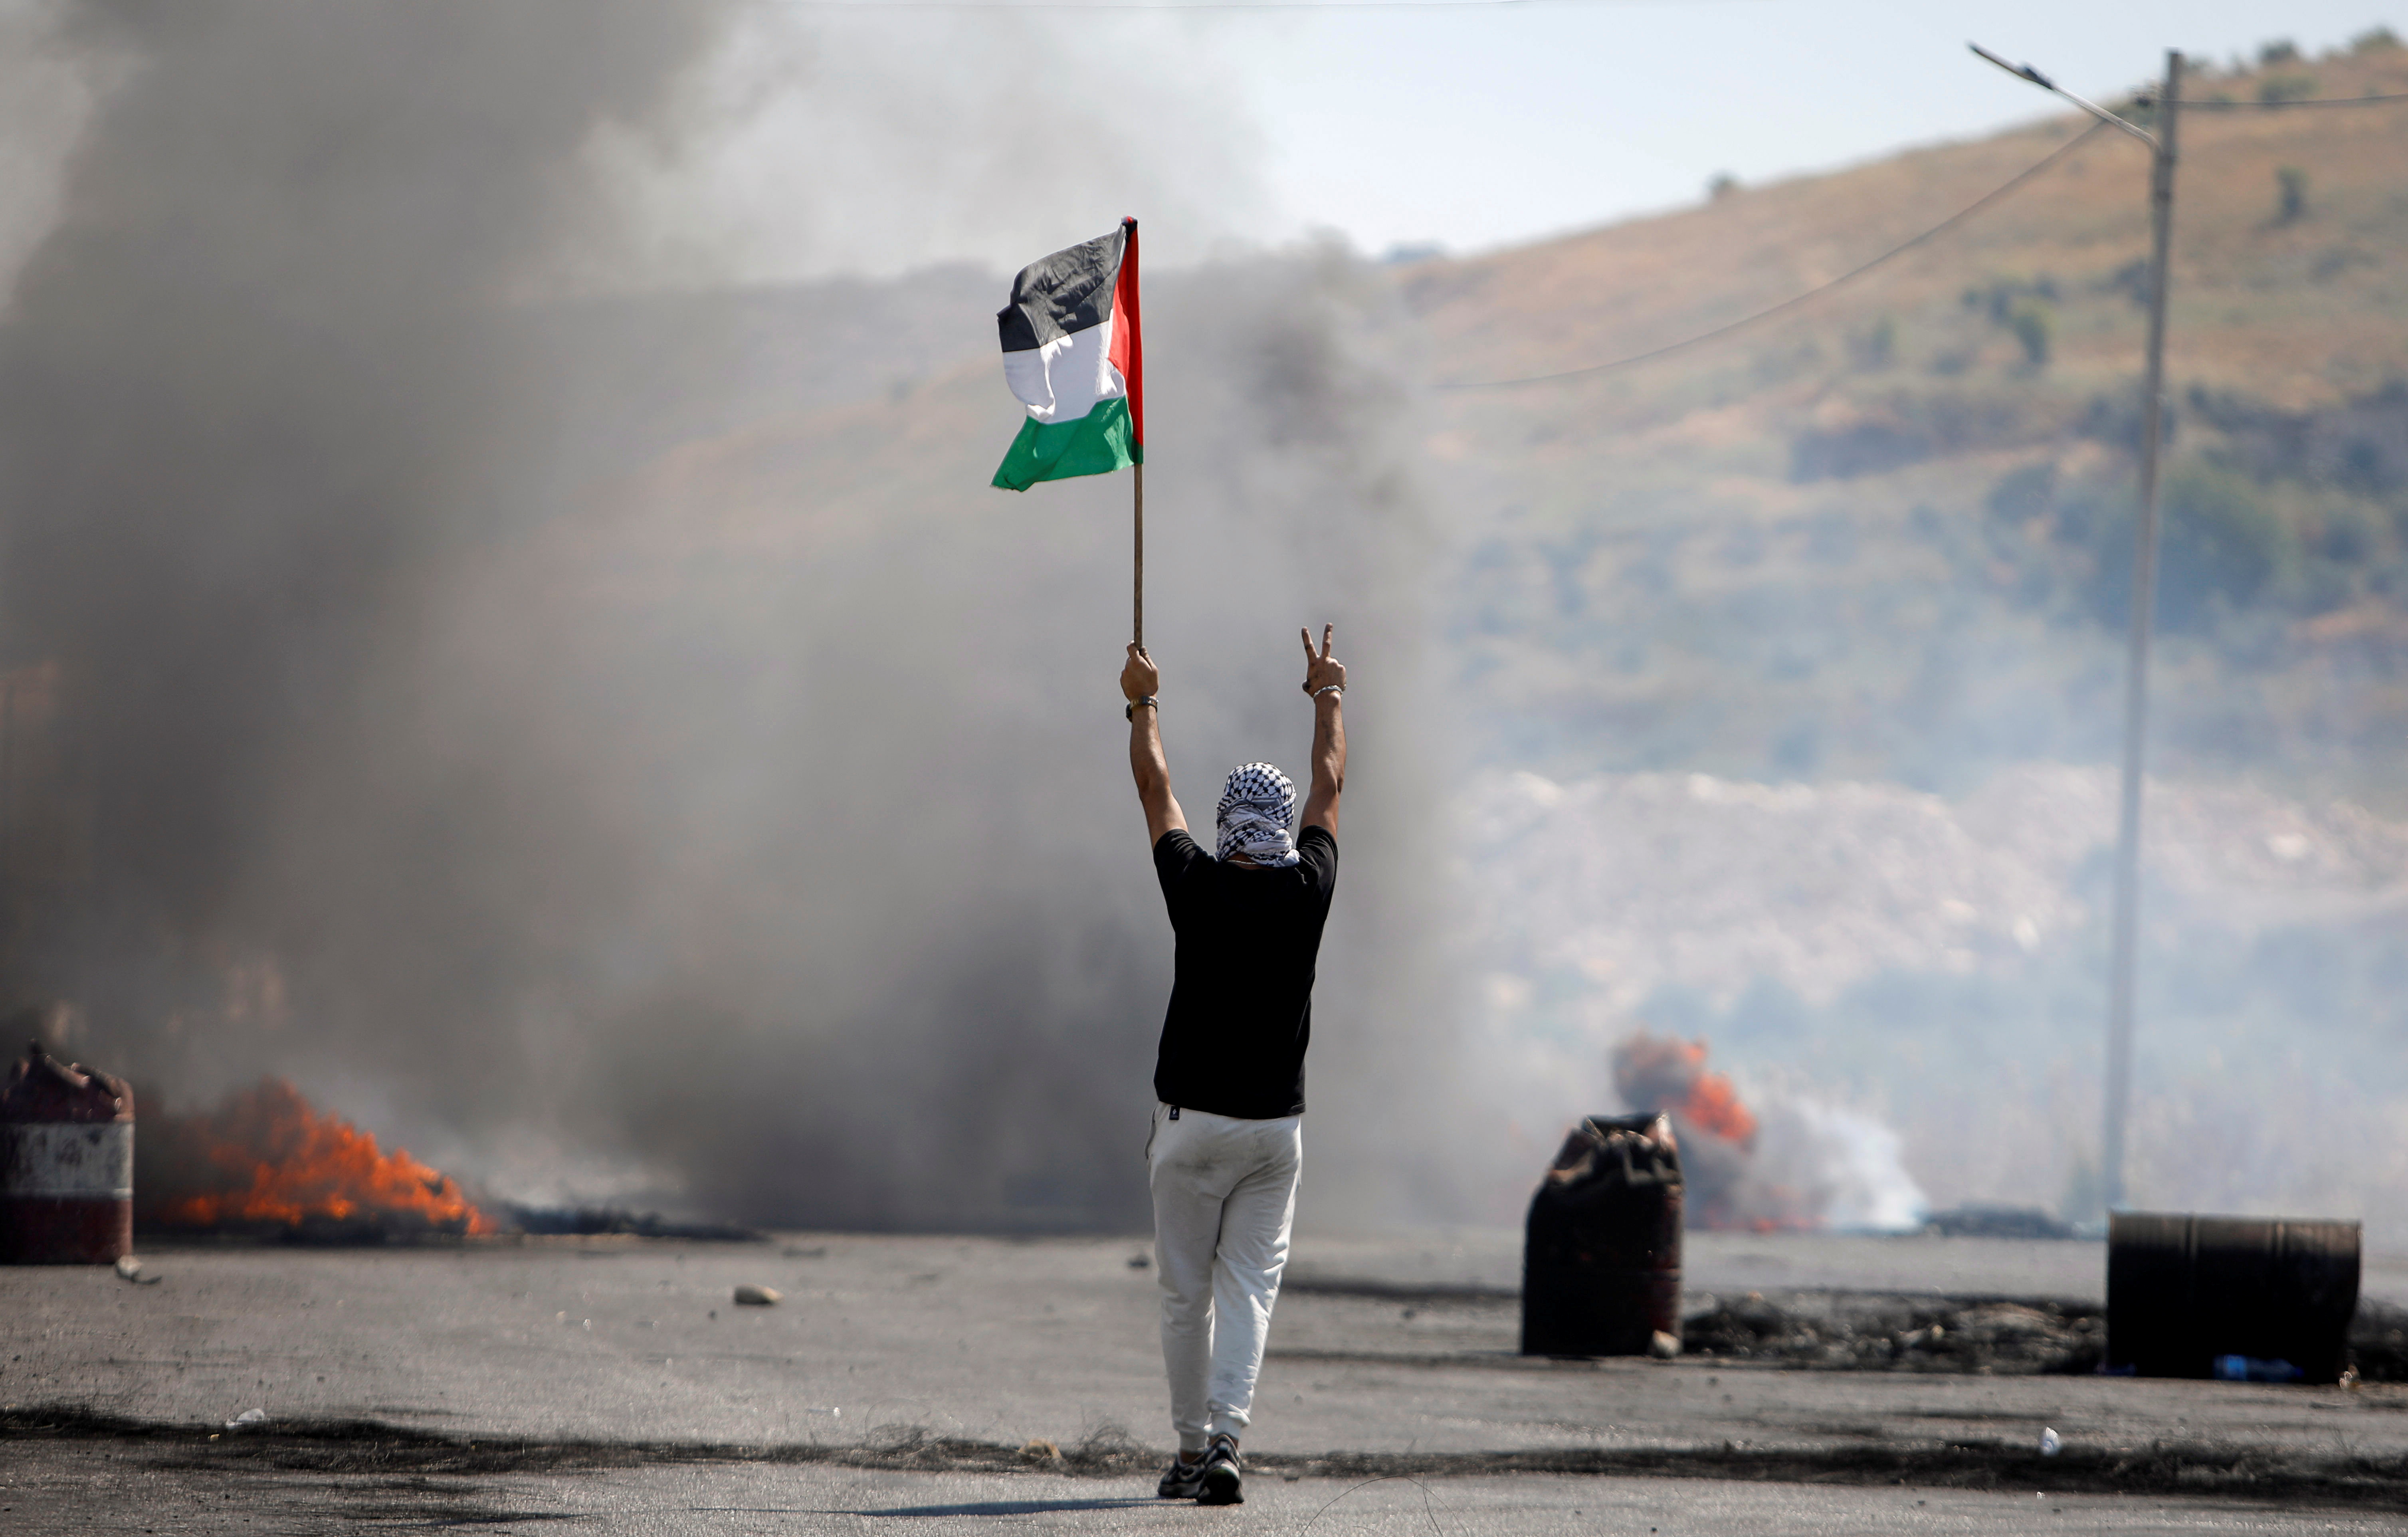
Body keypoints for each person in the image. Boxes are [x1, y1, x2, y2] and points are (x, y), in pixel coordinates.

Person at [1119, 624, 1347, 1507]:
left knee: (1186, 1294)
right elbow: (1329, 783)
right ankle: (1225, 1440)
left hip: (1188, 1126)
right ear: (1283, 827)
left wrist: (1142, 700)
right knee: (1250, 1286)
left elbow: (1155, 787)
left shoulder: (1196, 883)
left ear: (1225, 827)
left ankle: (1185, 1452)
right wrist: (1328, 692)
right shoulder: (1309, 890)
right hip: (1273, 1134)